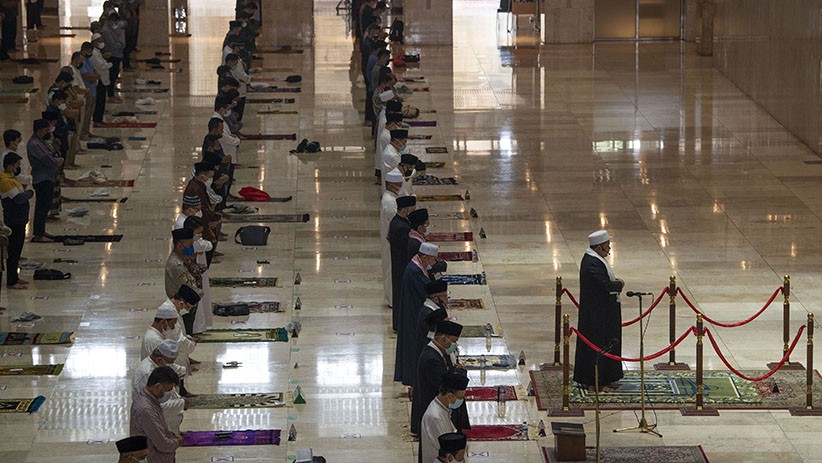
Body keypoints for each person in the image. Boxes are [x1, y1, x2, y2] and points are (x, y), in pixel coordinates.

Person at [573, 230, 625, 391]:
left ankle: (606, 377)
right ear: (599, 246)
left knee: (608, 343)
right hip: (597, 315)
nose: (609, 248)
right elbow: (604, 285)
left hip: (604, 312)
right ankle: (595, 382)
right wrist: (619, 284)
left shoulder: (595, 259)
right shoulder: (592, 263)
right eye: (607, 245)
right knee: (597, 344)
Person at [411, 320, 470, 435]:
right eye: (453, 341)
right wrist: (460, 373)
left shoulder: (436, 352)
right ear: (444, 338)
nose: (454, 345)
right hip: (433, 406)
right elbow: (443, 384)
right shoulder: (431, 358)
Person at [394, 242, 439, 387]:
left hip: (412, 308)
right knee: (414, 346)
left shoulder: (416, 266)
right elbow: (426, 289)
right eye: (433, 260)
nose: (434, 263)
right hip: (413, 313)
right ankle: (413, 380)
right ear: (425, 257)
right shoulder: (414, 270)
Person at [129, 366, 185, 463]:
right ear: (158, 387)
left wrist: (170, 435)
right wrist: (177, 442)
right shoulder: (146, 410)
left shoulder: (150, 400)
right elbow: (163, 444)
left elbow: (157, 430)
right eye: (168, 391)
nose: (168, 394)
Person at [132, 339, 187, 433]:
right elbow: (154, 403)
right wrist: (181, 403)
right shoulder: (147, 372)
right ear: (160, 360)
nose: (173, 365)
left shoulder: (155, 365)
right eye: (171, 363)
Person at [0, 153, 32, 290]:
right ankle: (11, 281)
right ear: (10, 165)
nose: (18, 168)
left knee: (18, 249)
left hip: (20, 218)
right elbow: (18, 198)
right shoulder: (4, 180)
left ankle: (15, 277)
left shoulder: (12, 178)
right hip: (14, 219)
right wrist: (30, 193)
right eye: (17, 165)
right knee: (13, 250)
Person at [419, 374, 468, 463]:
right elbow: (448, 450)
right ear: (450, 396)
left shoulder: (443, 410)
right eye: (460, 398)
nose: (461, 401)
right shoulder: (435, 417)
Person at [27, 119, 62, 243]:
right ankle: (38, 234)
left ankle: (41, 231)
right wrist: (57, 162)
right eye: (46, 130)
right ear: (40, 130)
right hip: (42, 178)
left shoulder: (40, 141)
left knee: (45, 206)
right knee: (42, 207)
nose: (47, 132)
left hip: (47, 177)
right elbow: (47, 159)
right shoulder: (35, 144)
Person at [165, 228, 204, 335]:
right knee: (186, 332)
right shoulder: (176, 264)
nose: (191, 248)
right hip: (183, 303)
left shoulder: (182, 259)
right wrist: (199, 293)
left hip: (188, 302)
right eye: (190, 245)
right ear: (180, 245)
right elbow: (188, 284)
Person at [388, 195, 416, 330]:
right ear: (405, 210)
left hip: (399, 264)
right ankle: (400, 325)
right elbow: (407, 247)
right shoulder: (401, 226)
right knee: (401, 295)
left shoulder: (398, 222)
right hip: (402, 264)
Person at [183, 216, 213, 335]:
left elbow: (208, 245)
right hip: (191, 273)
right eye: (198, 232)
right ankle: (194, 329)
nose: (199, 235)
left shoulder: (194, 240)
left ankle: (199, 327)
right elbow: (205, 246)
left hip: (199, 271)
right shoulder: (186, 241)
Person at [380, 169, 403, 307]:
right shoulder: (389, 201)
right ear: (391, 185)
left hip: (391, 239)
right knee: (390, 269)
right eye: (399, 184)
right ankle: (392, 299)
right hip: (390, 241)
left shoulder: (391, 198)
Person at [417, 280, 449, 362]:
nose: (447, 299)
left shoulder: (433, 309)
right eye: (445, 296)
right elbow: (434, 335)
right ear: (436, 299)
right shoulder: (429, 313)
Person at [88, 34, 112, 123]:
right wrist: (110, 65)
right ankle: (97, 119)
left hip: (103, 78)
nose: (101, 43)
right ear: (95, 42)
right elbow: (101, 65)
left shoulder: (97, 52)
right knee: (99, 101)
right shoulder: (94, 53)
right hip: (99, 79)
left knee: (102, 100)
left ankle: (99, 118)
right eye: (99, 41)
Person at [101, 12, 125, 102]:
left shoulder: (114, 29)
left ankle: (112, 94)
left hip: (117, 54)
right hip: (112, 55)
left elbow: (120, 40)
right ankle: (110, 95)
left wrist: (121, 44)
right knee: (111, 76)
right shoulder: (106, 30)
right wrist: (121, 44)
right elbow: (113, 44)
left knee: (114, 76)